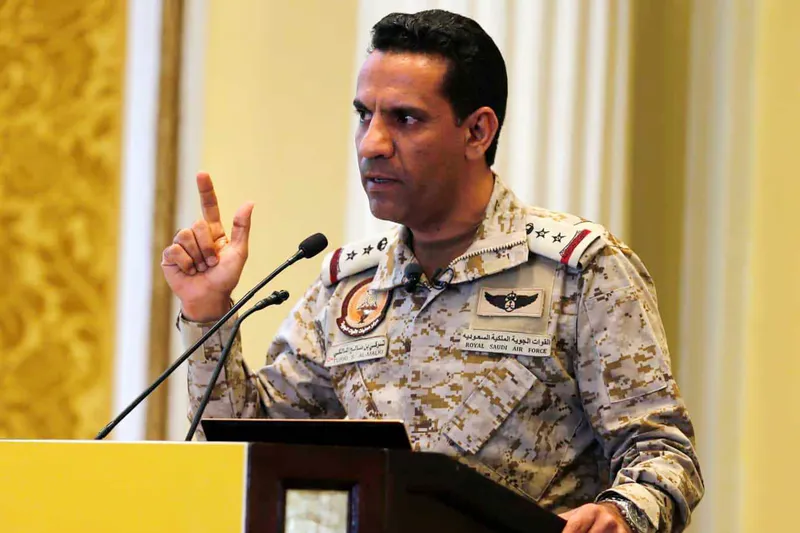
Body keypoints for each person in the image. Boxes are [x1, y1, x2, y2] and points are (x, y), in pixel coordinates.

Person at [162, 10, 703, 533]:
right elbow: (247, 448)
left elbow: (662, 453)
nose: (372, 143)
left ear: (477, 132)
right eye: (364, 115)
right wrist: (207, 310)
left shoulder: (579, 272)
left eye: (405, 119)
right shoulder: (349, 286)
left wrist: (624, 513)